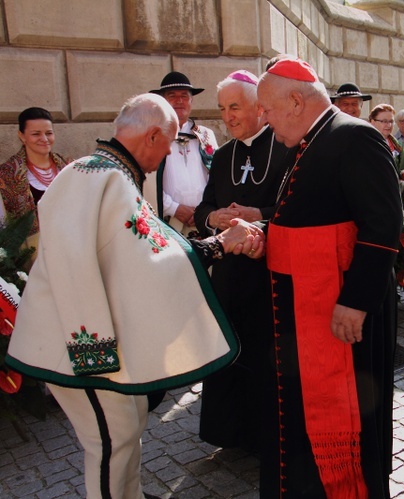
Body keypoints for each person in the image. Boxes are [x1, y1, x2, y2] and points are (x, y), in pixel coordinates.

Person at [5, 93, 266, 499]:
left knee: (127, 427)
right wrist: (219, 245)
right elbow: (95, 263)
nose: (165, 156)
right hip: (79, 345)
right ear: (154, 135)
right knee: (111, 441)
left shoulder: (105, 174)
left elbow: (137, 259)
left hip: (92, 339)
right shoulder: (96, 176)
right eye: (168, 145)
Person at [257, 59, 402, 498]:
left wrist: (356, 301)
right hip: (306, 309)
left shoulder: (354, 136)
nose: (263, 119)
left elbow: (383, 224)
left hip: (339, 311)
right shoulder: (307, 141)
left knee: (347, 418)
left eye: (267, 108)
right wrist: (262, 226)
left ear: (296, 101)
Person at [194, 70, 293, 451]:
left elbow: (294, 207)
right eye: (222, 109)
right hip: (230, 277)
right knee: (230, 350)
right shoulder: (222, 156)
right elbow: (204, 206)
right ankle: (228, 432)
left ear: (258, 107)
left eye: (234, 107)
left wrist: (258, 214)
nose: (227, 116)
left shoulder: (285, 147)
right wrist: (213, 218)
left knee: (267, 356)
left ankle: (267, 437)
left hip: (269, 273)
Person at [144, 71, 218, 238]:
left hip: (203, 222)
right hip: (168, 223)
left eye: (184, 96)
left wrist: (204, 210)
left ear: (191, 101)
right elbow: (147, 181)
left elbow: (216, 178)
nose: (179, 101)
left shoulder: (206, 135)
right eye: (172, 96)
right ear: (162, 101)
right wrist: (174, 208)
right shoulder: (152, 136)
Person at [0, 107, 71, 250]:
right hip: (32, 254)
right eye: (36, 134)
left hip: (71, 245)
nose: (44, 139)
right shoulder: (7, 174)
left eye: (49, 133)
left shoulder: (70, 167)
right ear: (22, 136)